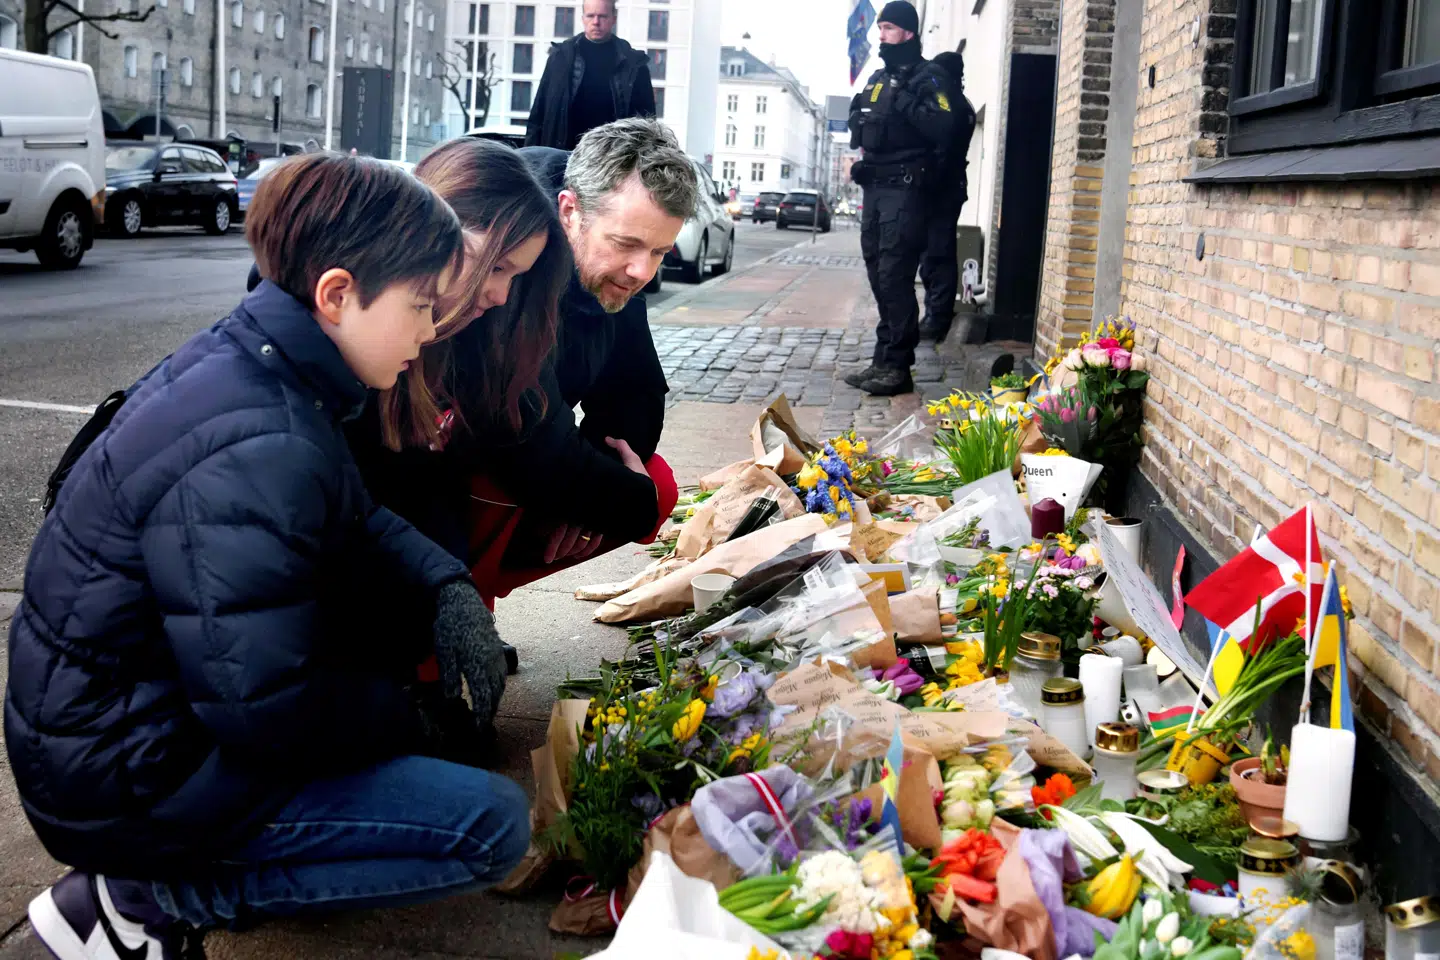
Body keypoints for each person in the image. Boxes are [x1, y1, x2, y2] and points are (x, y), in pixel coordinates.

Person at [8, 154, 528, 959]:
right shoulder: (263, 434)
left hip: (117, 732)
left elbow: (351, 515)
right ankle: (149, 897)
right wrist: (405, 719)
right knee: (487, 826)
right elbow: (263, 708)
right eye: (421, 306)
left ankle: (158, 881)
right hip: (126, 777)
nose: (430, 333)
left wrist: (445, 586)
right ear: (336, 293)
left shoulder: (259, 364)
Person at [350, 118, 694, 614]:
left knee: (649, 483)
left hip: (469, 465)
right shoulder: (508, 249)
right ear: (570, 211)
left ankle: (459, 610)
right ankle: (443, 622)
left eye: (660, 251)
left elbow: (636, 392)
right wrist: (625, 502)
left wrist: (593, 502)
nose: (643, 271)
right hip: (452, 469)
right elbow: (521, 438)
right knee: (491, 482)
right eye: (626, 245)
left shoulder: (610, 267)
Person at [844, 0, 958, 396]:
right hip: (876, 190)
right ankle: (883, 357)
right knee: (878, 272)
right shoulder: (878, 78)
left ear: (908, 32)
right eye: (880, 29)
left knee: (894, 275)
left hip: (907, 193)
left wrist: (903, 98)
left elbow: (944, 124)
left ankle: (897, 365)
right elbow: (860, 125)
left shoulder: (929, 78)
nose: (881, 36)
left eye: (889, 28)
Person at [525, 0, 657, 150]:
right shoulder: (560, 58)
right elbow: (538, 113)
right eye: (590, 15)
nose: (596, 22)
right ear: (582, 19)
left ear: (613, 19)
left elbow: (648, 124)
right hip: (562, 155)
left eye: (602, 16)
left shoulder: (634, 64)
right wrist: (529, 157)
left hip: (612, 158)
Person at [918, 50, 978, 343]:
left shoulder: (951, 103)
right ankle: (934, 311)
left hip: (943, 186)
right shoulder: (957, 101)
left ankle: (937, 316)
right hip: (946, 186)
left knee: (937, 253)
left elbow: (942, 145)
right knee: (931, 252)